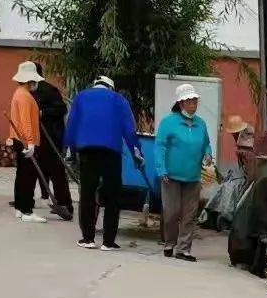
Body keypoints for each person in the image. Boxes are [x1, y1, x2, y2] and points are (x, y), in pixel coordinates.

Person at [64, 75, 143, 252]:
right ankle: (108, 241)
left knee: (87, 193)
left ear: (95, 85)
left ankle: (88, 238)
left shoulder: (81, 97)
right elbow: (129, 129)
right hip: (111, 151)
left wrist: (70, 149)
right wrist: (137, 153)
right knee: (113, 195)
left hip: (87, 151)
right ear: (111, 87)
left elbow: (72, 124)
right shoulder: (119, 99)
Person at [155, 84, 212, 262]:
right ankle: (169, 243)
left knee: (190, 214)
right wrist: (161, 168)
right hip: (170, 176)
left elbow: (206, 144)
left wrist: (208, 154)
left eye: (195, 100)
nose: (193, 104)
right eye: (189, 101)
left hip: (193, 176)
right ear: (180, 103)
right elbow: (160, 147)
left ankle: (183, 249)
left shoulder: (201, 124)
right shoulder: (168, 122)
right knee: (171, 212)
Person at [32, 62, 73, 220]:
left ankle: (65, 204)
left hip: (52, 138)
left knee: (57, 173)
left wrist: (43, 112)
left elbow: (61, 109)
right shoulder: (30, 91)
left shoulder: (49, 90)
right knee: (39, 170)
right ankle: (39, 198)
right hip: (38, 138)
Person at [7, 60, 47, 223]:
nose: (36, 83)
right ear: (30, 80)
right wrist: (30, 142)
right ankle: (27, 210)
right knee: (28, 177)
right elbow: (26, 121)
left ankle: (19, 207)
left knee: (22, 175)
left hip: (19, 139)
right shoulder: (24, 96)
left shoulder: (19, 93)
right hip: (25, 141)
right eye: (35, 80)